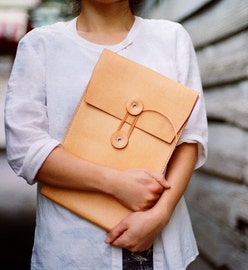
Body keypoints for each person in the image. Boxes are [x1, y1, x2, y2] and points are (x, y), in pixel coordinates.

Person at [4, 0, 208, 269]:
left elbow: (189, 138)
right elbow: (26, 149)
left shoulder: (171, 38)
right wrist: (116, 183)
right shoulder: (41, 46)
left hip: (160, 242)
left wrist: (159, 215)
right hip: (72, 249)